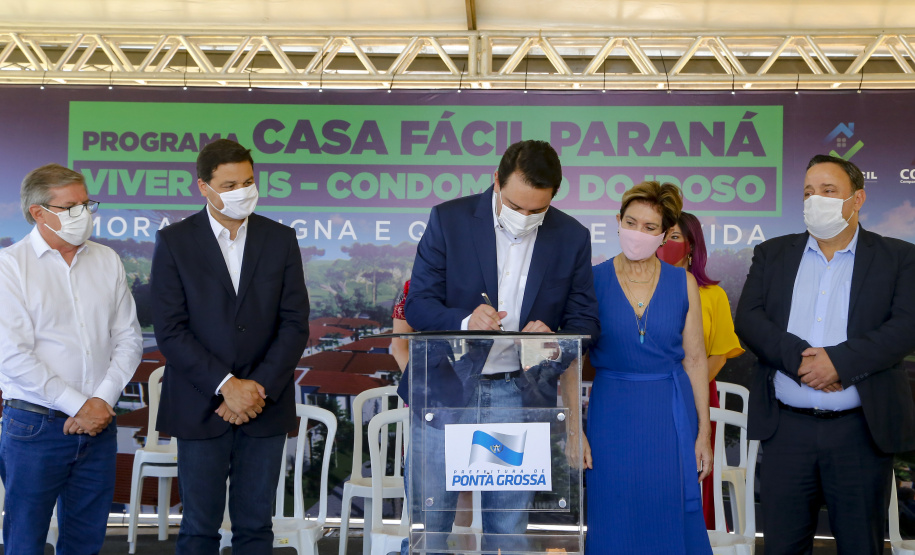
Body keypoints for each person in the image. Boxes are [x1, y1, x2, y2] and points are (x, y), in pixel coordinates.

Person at [403, 140, 601, 543]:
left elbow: (585, 323)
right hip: (446, 392)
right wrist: (463, 321)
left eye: (536, 210)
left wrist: (553, 341)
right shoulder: (449, 219)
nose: (524, 218)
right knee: (430, 531)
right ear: (496, 181)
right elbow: (418, 305)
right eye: (515, 207)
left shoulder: (571, 236)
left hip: (518, 395)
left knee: (508, 534)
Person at [735, 154, 915, 555]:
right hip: (787, 432)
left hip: (860, 432)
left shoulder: (899, 257)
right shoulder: (773, 253)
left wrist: (840, 362)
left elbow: (905, 328)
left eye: (828, 191)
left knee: (859, 546)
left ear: (857, 199)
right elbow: (748, 319)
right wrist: (800, 359)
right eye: (808, 192)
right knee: (781, 546)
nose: (815, 200)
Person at [151, 139, 310, 554]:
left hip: (264, 402)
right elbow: (170, 329)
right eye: (229, 184)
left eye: (249, 181)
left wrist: (254, 387)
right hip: (200, 401)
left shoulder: (280, 239)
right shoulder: (174, 242)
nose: (243, 191)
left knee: (256, 527)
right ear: (203, 187)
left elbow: (294, 324)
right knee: (199, 527)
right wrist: (227, 385)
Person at [0, 164, 143, 554]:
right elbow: (12, 356)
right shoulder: (10, 266)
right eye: (70, 206)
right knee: (24, 542)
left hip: (99, 427)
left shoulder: (107, 260)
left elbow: (129, 339)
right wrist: (80, 405)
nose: (83, 214)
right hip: (35, 426)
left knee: (86, 541)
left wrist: (100, 401)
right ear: (38, 212)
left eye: (86, 204)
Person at [570, 181, 712, 554]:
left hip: (670, 413)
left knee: (668, 513)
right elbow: (568, 359)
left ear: (664, 234)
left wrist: (704, 433)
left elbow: (695, 359)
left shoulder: (683, 283)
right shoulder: (590, 280)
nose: (638, 233)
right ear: (617, 221)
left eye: (650, 228)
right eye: (631, 222)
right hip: (611, 414)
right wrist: (574, 428)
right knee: (613, 514)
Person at [657, 211, 744, 529]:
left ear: (692, 247)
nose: (667, 243)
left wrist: (682, 390)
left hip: (696, 397)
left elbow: (719, 355)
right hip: (648, 396)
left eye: (676, 237)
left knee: (692, 480)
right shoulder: (639, 290)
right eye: (662, 235)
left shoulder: (713, 295)